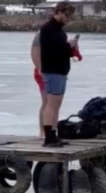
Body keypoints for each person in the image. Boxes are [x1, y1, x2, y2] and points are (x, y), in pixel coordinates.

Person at [40, 2, 77, 147]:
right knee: (51, 104)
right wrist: (69, 46)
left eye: (70, 16)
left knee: (56, 105)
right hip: (53, 71)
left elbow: (63, 51)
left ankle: (53, 135)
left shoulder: (59, 31)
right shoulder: (49, 29)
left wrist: (70, 47)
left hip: (60, 71)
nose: (68, 19)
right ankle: (49, 137)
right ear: (59, 12)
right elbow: (55, 51)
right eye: (67, 15)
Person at [31, 32, 46, 138]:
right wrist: (40, 69)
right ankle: (42, 131)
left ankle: (50, 130)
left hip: (54, 72)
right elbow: (34, 53)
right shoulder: (40, 34)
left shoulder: (57, 33)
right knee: (46, 102)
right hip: (43, 72)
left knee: (52, 104)